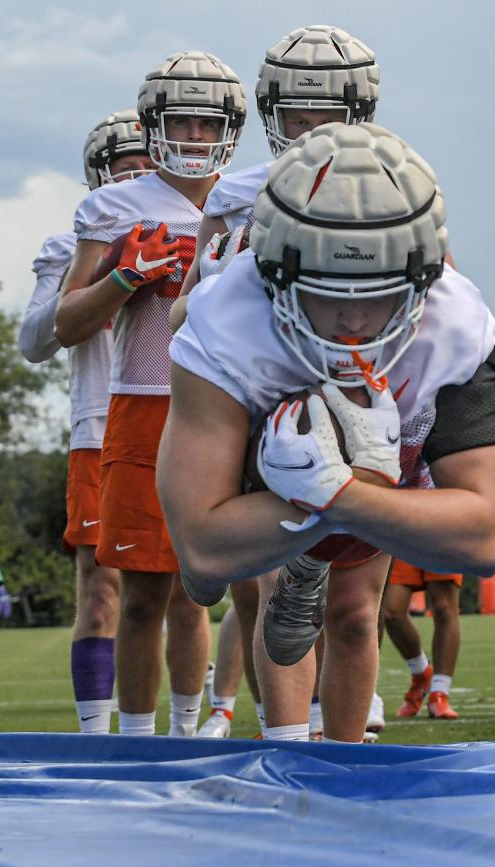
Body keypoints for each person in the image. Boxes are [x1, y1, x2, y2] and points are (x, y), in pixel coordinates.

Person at [159, 122, 495, 744]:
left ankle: (310, 569)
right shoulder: (225, 322)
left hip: (383, 460)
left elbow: (489, 540)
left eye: (377, 295)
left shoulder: (455, 324)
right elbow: (201, 547)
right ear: (273, 273)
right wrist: (333, 494)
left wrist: (337, 496)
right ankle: (298, 559)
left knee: (355, 611)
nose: (354, 321)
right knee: (207, 580)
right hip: (263, 452)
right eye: (328, 296)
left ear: (422, 277)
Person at [175, 25, 381, 740]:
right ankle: (289, 758)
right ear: (271, 112)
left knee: (355, 606)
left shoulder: (394, 185)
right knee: (270, 588)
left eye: (328, 113)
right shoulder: (233, 197)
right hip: (272, 409)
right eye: (298, 113)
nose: (312, 129)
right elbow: (181, 316)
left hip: (361, 406)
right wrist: (214, 274)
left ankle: (346, 764)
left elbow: (436, 300)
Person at [55, 52, 247, 736]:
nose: (195, 137)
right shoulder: (112, 207)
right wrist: (122, 279)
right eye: (182, 122)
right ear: (153, 126)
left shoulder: (250, 197)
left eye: (207, 124)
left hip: (228, 405)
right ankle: (135, 744)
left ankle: (190, 730)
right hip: (141, 403)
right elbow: (66, 321)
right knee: (141, 594)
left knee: (201, 594)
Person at [18, 111, 153, 733]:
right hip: (99, 428)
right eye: (128, 169)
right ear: (100, 177)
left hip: (176, 422)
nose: (141, 178)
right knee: (100, 590)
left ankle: (179, 725)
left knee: (176, 593)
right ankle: (95, 736)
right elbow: (35, 342)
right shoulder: (72, 244)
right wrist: (104, 275)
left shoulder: (191, 224)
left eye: (147, 166)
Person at [382, 560, 463, 720]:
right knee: (391, 611)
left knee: (444, 606)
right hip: (401, 536)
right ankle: (421, 672)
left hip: (443, 536)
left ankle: (440, 694)